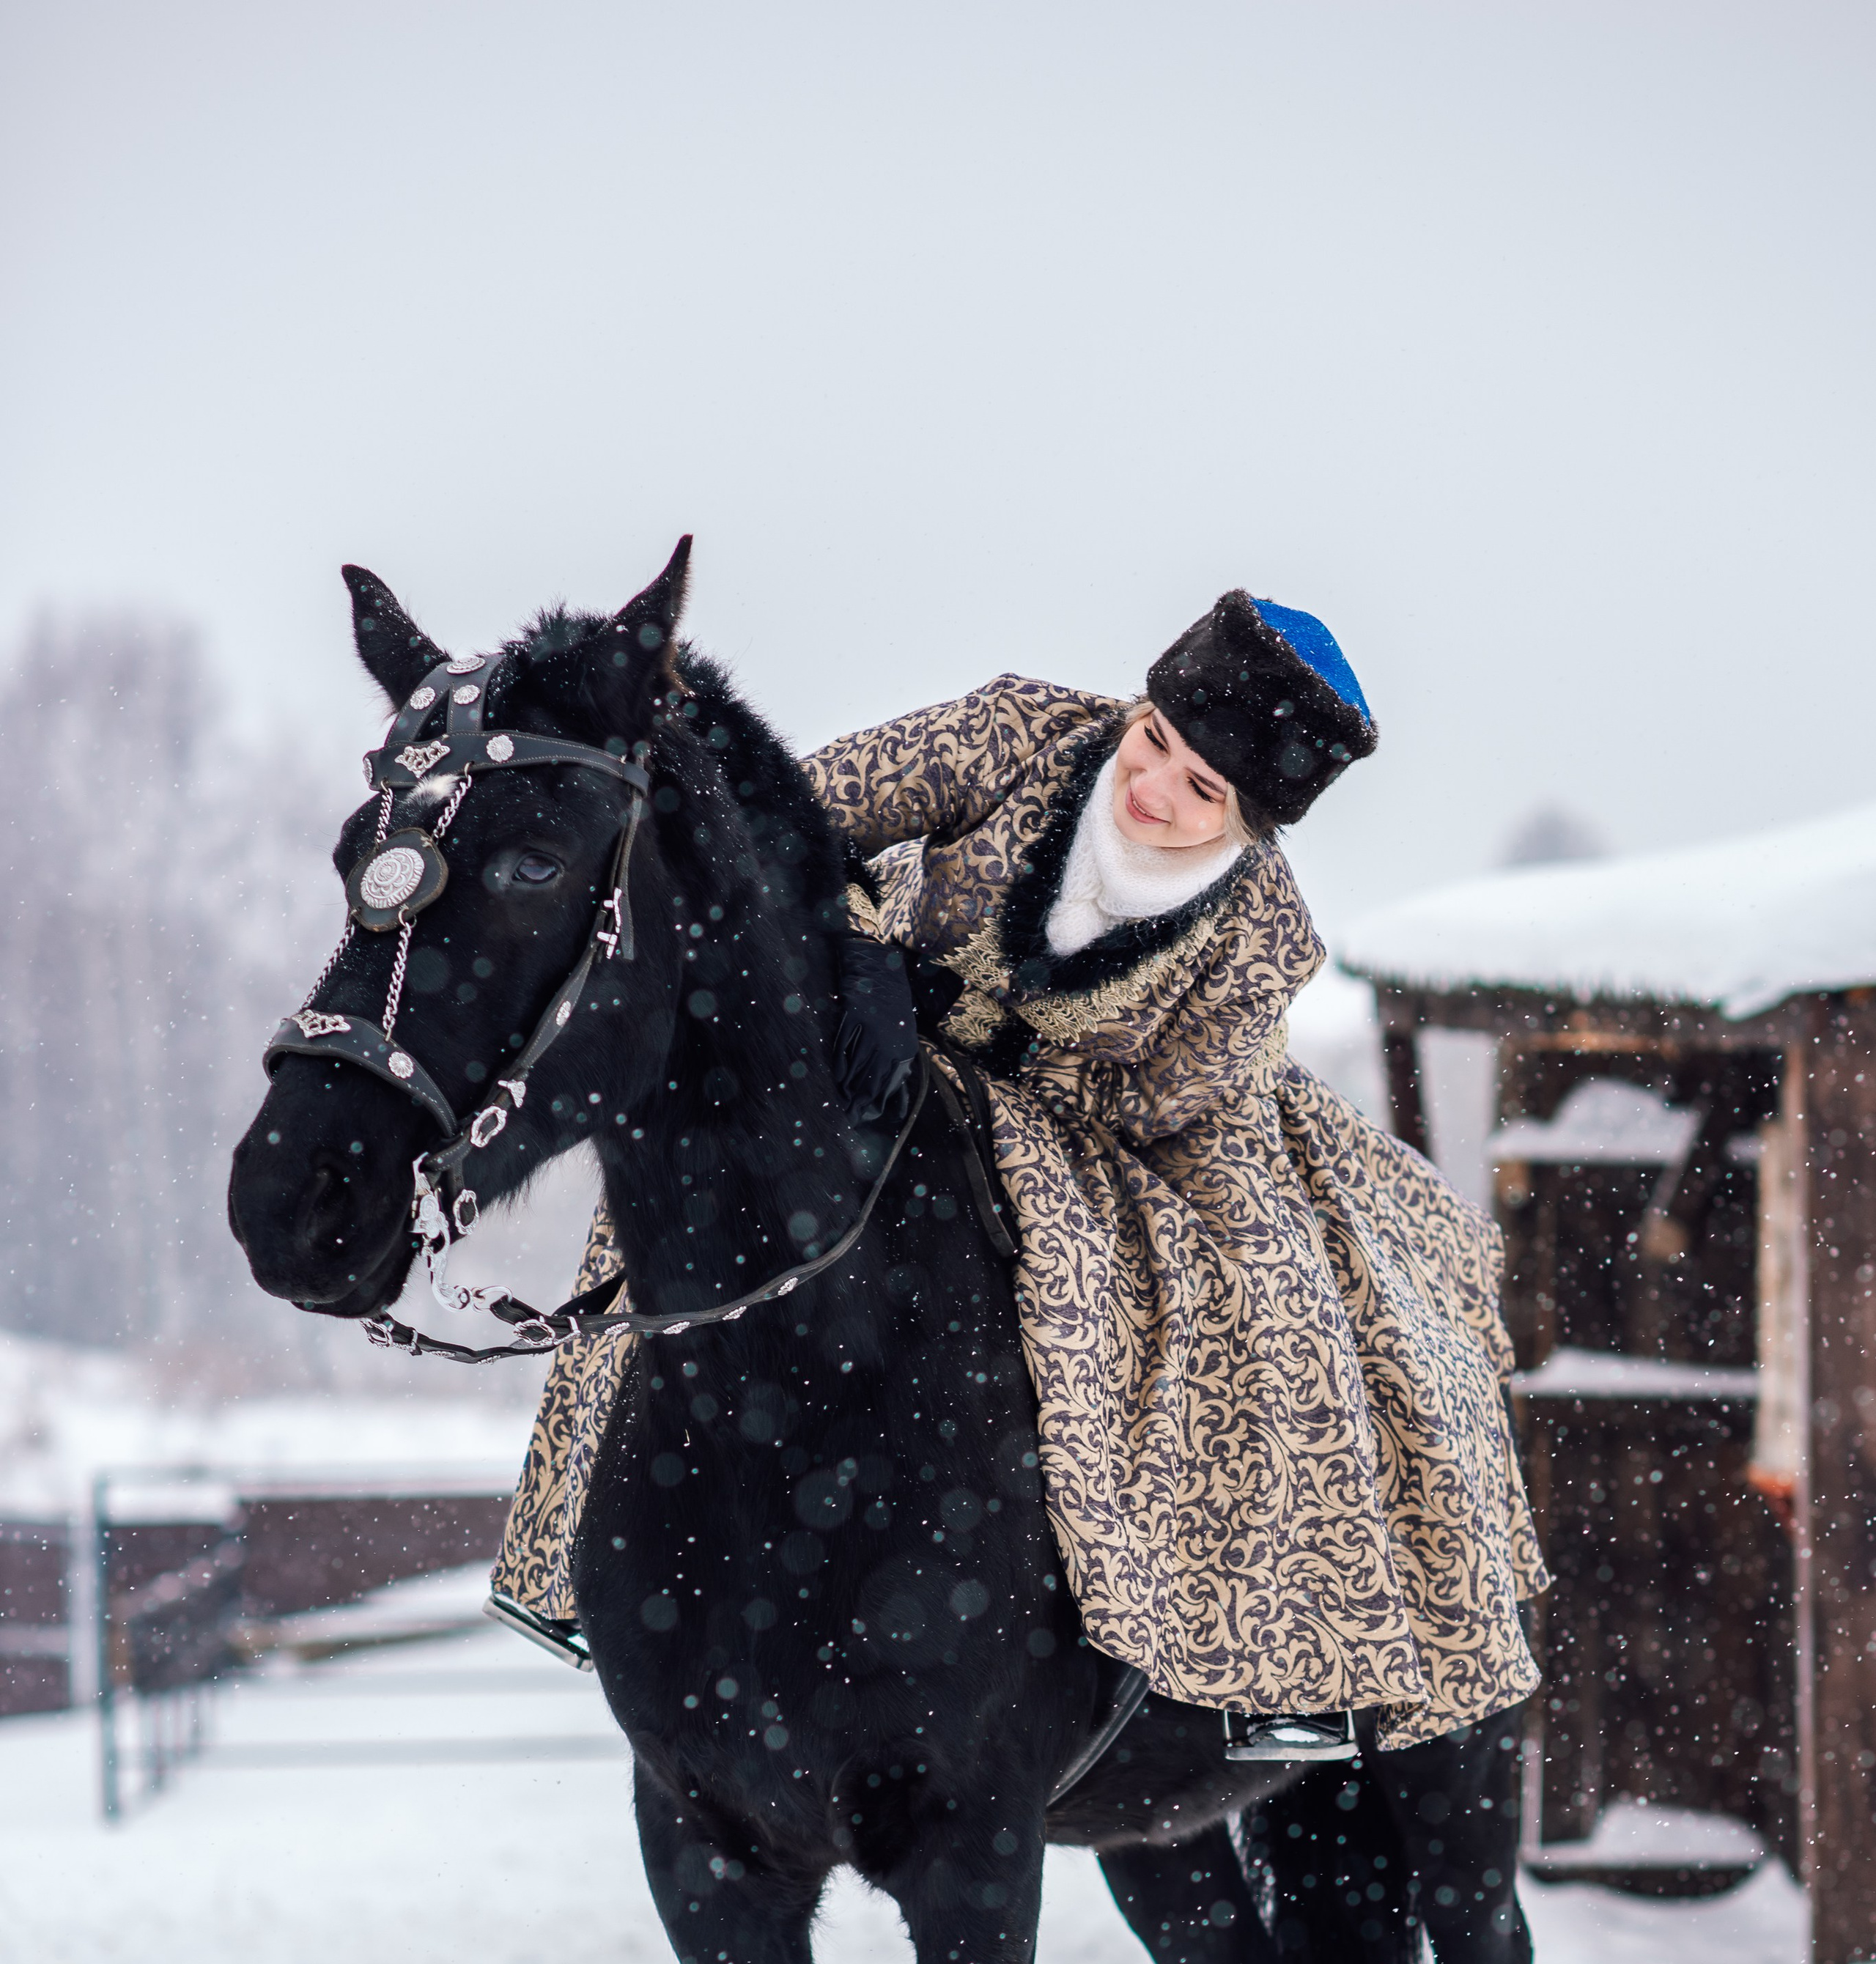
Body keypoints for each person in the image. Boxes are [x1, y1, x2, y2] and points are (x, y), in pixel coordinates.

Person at [494, 591, 1542, 1749]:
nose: (1152, 793)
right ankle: (571, 1537)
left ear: (1253, 828)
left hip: (1128, 1127)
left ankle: (1288, 1663)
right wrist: (862, 954)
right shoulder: (1014, 735)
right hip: (875, 1030)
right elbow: (785, 818)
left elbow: (1164, 1102)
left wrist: (1003, 1034)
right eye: (1155, 743)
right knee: (688, 1175)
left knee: (1274, 1299)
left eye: (1203, 793)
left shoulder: (1266, 942)